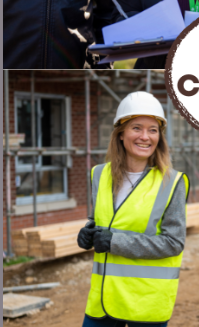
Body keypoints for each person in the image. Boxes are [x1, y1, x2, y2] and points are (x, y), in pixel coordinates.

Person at [76, 92, 189, 327]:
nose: (145, 137)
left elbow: (173, 243)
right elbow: (99, 220)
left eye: (153, 130)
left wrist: (115, 242)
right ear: (121, 134)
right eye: (136, 128)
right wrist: (87, 232)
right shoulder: (99, 174)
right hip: (103, 297)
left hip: (146, 300)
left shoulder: (172, 182)